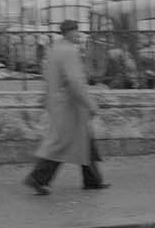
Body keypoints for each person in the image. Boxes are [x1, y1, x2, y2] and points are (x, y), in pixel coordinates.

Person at [24, 19, 110, 195]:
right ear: (68, 33)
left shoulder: (55, 49)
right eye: (76, 31)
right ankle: (37, 178)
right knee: (61, 144)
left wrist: (45, 98)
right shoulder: (69, 51)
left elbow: (48, 76)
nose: (79, 35)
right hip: (70, 105)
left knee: (84, 140)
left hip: (58, 102)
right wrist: (91, 105)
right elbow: (75, 82)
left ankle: (93, 180)